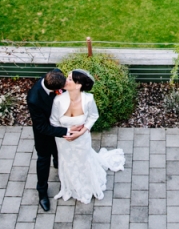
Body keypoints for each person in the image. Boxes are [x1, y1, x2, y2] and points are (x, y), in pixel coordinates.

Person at [50, 69, 125, 203]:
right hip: (63, 141)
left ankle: (86, 186)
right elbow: (53, 122)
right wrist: (66, 131)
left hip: (82, 140)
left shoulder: (88, 100)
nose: (65, 80)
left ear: (79, 85)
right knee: (67, 162)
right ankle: (71, 185)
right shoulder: (58, 100)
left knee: (83, 161)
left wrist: (83, 130)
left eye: (70, 79)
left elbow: (93, 116)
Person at [26, 69, 83, 212]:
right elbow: (41, 127)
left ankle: (57, 162)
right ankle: (42, 192)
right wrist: (66, 131)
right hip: (45, 132)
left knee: (60, 151)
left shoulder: (55, 74)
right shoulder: (34, 99)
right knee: (43, 160)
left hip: (60, 122)